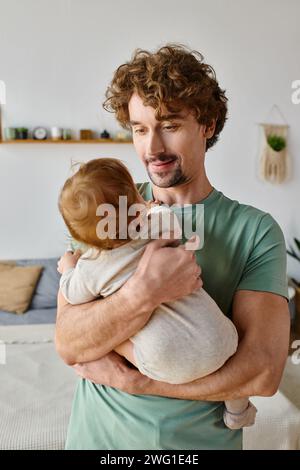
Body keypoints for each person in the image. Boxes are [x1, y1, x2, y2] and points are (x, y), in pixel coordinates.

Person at [55, 44, 290, 450]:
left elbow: (262, 374)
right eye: (140, 129)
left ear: (208, 125)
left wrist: (139, 382)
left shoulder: (255, 232)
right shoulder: (105, 208)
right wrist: (144, 292)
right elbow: (69, 342)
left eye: (170, 124)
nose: (153, 147)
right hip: (96, 442)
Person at [57, 157, 257, 430]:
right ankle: (238, 411)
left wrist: (69, 267)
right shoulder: (157, 227)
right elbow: (171, 224)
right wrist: (150, 212)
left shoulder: (91, 267)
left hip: (164, 363)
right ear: (136, 205)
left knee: (106, 314)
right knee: (226, 366)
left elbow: (72, 293)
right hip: (221, 340)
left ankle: (121, 366)